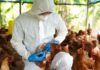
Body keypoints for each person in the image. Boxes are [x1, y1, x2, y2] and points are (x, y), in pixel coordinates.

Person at [10, 0, 67, 70]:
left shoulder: (55, 17)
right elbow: (16, 41)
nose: (46, 15)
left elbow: (63, 31)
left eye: (49, 13)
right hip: (32, 57)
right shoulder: (21, 20)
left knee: (66, 59)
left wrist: (55, 41)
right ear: (36, 9)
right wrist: (28, 56)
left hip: (51, 54)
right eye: (43, 13)